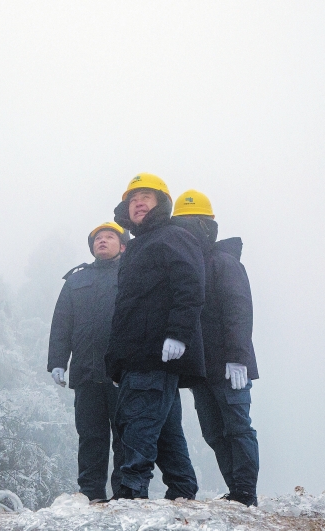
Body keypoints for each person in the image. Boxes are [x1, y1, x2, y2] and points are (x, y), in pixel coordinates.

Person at [105, 173, 206, 500]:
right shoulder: (136, 246)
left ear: (161, 203)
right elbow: (128, 308)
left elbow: (189, 287)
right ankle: (183, 493)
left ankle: (130, 496)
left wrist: (178, 334)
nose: (138, 203)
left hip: (154, 353)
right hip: (137, 355)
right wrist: (117, 363)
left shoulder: (172, 236)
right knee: (164, 430)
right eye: (133, 199)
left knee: (136, 425)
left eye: (146, 197)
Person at [171, 189, 260, 506]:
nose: (187, 230)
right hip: (200, 369)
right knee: (214, 432)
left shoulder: (223, 263)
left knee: (237, 427)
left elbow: (238, 311)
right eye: (180, 224)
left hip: (228, 366)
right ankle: (237, 490)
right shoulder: (184, 267)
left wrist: (238, 359)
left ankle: (245, 494)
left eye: (193, 223)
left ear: (207, 227)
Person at [47, 221, 129, 502]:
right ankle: (91, 494)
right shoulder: (76, 280)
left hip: (123, 373)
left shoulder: (133, 274)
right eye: (97, 239)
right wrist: (58, 362)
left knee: (125, 435)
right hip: (85, 373)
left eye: (109, 237)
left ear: (123, 245)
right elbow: (61, 324)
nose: (102, 241)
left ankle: (125, 494)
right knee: (90, 437)